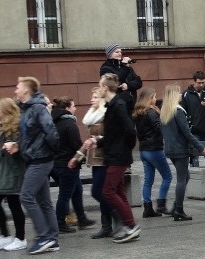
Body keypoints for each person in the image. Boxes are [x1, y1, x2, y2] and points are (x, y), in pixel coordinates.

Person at [81, 73, 141, 242]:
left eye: (100, 86)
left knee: (107, 191)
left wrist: (124, 149)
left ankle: (130, 225)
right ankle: (131, 226)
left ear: (105, 88)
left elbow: (130, 130)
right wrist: (97, 143)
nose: (98, 89)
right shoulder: (112, 104)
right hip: (114, 153)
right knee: (119, 192)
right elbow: (114, 134)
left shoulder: (118, 105)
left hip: (118, 156)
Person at [11, 76, 60, 254]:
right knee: (44, 202)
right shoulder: (27, 109)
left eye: (17, 87)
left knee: (26, 196)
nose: (15, 90)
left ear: (26, 90)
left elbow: (51, 133)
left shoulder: (38, 108)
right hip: (35, 158)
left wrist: (50, 152)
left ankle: (43, 237)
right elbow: (30, 135)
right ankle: (53, 239)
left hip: (40, 160)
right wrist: (18, 145)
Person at [158, 83, 205, 222]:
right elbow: (187, 133)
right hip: (180, 149)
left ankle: (176, 206)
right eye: (179, 92)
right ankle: (179, 210)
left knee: (185, 176)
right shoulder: (178, 111)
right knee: (182, 179)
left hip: (170, 148)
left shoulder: (165, 110)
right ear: (174, 95)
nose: (181, 94)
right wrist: (200, 147)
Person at [0, 97, 27, 252]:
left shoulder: (14, 128)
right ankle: (5, 236)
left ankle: (20, 238)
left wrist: (14, 147)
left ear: (7, 111)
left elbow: (20, 152)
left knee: (13, 204)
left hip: (11, 173)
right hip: (0, 172)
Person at [51, 97, 94, 233]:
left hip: (55, 164)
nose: (75, 109)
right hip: (68, 165)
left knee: (77, 190)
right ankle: (60, 223)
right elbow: (76, 145)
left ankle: (81, 219)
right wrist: (82, 157)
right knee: (64, 195)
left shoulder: (53, 122)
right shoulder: (69, 124)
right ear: (68, 108)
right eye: (74, 106)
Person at [79, 86, 116, 239]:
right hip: (95, 159)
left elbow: (110, 136)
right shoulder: (93, 115)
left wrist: (97, 140)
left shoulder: (106, 114)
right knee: (101, 191)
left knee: (98, 192)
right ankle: (106, 226)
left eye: (95, 97)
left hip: (104, 158)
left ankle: (118, 215)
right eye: (92, 97)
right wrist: (78, 156)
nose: (91, 99)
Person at [133, 87, 172, 218]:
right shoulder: (151, 112)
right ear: (149, 98)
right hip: (154, 149)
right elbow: (159, 128)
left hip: (144, 150)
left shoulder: (138, 113)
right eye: (154, 96)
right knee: (167, 176)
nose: (156, 99)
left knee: (148, 180)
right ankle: (161, 204)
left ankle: (147, 208)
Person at [181, 71, 205, 167]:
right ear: (194, 81)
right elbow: (183, 111)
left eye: (203, 82)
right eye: (199, 82)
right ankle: (195, 175)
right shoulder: (186, 94)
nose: (201, 84)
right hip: (193, 129)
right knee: (194, 155)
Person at [99, 43, 142, 112]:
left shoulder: (126, 66)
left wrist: (128, 86)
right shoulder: (105, 68)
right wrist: (125, 67)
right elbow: (115, 82)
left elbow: (138, 82)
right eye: (117, 52)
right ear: (110, 54)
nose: (120, 54)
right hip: (117, 106)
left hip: (132, 105)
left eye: (120, 52)